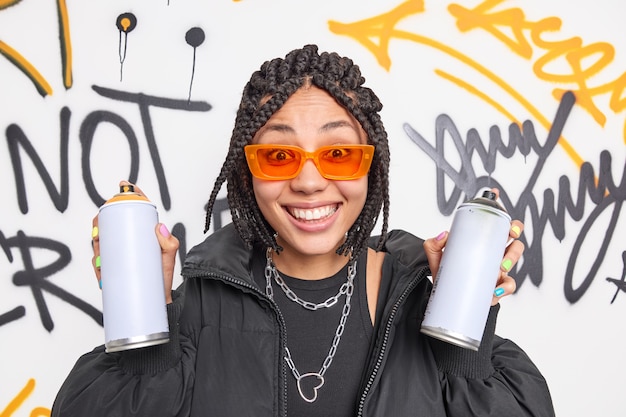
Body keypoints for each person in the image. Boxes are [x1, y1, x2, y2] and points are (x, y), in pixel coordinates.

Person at [51, 44, 555, 416]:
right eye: (278, 155)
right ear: (247, 173)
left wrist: (466, 341)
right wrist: (147, 338)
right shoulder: (197, 311)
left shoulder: (420, 300)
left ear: (370, 168)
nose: (310, 182)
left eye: (338, 154)